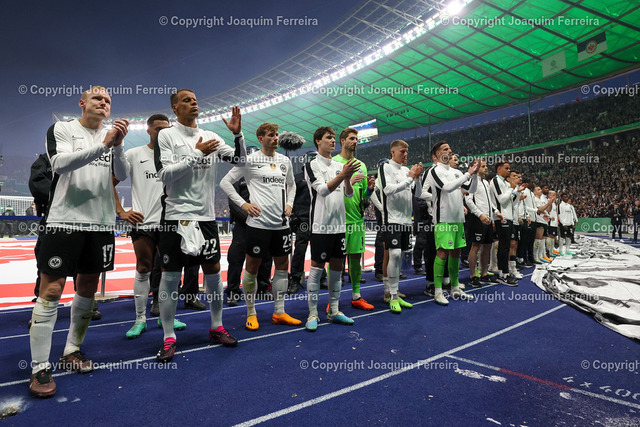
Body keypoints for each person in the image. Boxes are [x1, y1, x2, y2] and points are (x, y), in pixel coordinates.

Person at [29, 86, 129, 398]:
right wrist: (104, 145)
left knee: (87, 289)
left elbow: (122, 174)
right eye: (98, 98)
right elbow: (59, 164)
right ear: (82, 103)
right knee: (51, 290)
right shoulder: (62, 128)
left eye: (108, 100)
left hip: (100, 223)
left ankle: (71, 350)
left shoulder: (111, 137)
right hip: (64, 220)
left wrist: (118, 147)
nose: (103, 103)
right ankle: (39, 366)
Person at [154, 89, 246, 362]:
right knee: (171, 275)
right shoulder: (166, 135)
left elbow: (240, 160)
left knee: (213, 270)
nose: (193, 102)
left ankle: (217, 326)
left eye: (195, 99)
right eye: (186, 100)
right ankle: (168, 336)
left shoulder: (211, 136)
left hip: (205, 217)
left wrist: (238, 135)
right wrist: (196, 153)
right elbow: (164, 175)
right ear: (175, 108)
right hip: (176, 216)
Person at [112, 114, 190, 339]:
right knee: (143, 268)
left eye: (166, 129)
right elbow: (110, 182)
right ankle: (140, 319)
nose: (162, 133)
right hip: (143, 221)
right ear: (148, 130)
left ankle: (167, 316)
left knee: (170, 271)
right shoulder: (134, 154)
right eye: (158, 129)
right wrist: (121, 211)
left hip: (171, 221)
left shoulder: (176, 156)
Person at [220, 122, 300, 330]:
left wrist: (290, 204)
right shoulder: (250, 160)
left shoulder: (284, 161)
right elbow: (225, 183)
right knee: (252, 268)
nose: (276, 138)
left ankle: (279, 312)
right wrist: (244, 204)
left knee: (282, 267)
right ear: (260, 139)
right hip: (258, 225)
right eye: (271, 135)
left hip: (281, 224)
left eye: (277, 134)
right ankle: (251, 313)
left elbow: (291, 185)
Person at [304, 126, 358, 331]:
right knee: (316, 270)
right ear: (318, 141)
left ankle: (334, 311)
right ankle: (312, 313)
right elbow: (323, 190)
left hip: (339, 225)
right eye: (329, 137)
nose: (333, 141)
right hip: (321, 226)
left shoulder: (339, 165)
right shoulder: (311, 165)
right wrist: (343, 175)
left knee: (337, 269)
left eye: (334, 138)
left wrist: (347, 179)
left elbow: (349, 194)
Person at [423, 141, 478, 305]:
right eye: (445, 149)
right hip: (444, 219)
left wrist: (474, 175)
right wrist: (467, 175)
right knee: (442, 253)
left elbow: (471, 189)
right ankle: (438, 291)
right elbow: (446, 187)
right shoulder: (434, 171)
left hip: (458, 218)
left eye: (450, 148)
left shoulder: (456, 172)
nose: (449, 150)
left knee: (456, 253)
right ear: (437, 155)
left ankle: (455, 288)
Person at [377, 140, 422, 312]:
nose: (405, 154)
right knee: (394, 255)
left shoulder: (405, 170)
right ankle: (392, 295)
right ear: (393, 152)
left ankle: (394, 293)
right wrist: (410, 178)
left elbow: (418, 194)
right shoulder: (385, 167)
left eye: (406, 152)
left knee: (399, 256)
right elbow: (387, 190)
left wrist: (416, 178)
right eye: (402, 151)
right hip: (392, 218)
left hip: (405, 220)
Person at [333, 128, 375, 310]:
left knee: (356, 258)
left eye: (356, 139)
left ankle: (356, 296)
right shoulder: (334, 163)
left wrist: (370, 190)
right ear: (342, 141)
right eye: (351, 138)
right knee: (336, 260)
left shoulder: (361, 165)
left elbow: (364, 195)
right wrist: (348, 181)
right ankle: (333, 300)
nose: (355, 142)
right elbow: (330, 189)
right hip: (338, 220)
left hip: (357, 219)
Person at [225, 173, 273, 305]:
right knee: (236, 257)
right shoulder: (236, 177)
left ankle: (263, 288)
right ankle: (233, 291)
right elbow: (233, 202)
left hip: (263, 222)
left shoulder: (265, 175)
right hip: (243, 224)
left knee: (266, 255)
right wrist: (249, 219)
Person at [464, 159, 501, 288]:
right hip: (477, 218)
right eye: (482, 166)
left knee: (487, 246)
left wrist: (496, 212)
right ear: (476, 167)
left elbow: (490, 201)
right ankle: (473, 276)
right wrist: (480, 214)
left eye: (486, 166)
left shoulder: (486, 182)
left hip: (488, 218)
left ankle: (484, 273)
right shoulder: (471, 181)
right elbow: (468, 200)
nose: (486, 168)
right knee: (475, 246)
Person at [490, 162, 525, 286]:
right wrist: (511, 188)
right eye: (507, 168)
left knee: (506, 245)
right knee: (504, 246)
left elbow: (512, 203)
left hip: (509, 217)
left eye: (509, 168)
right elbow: (502, 200)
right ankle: (503, 274)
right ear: (499, 169)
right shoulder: (496, 181)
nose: (509, 170)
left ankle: (504, 272)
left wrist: (517, 192)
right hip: (501, 217)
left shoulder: (505, 183)